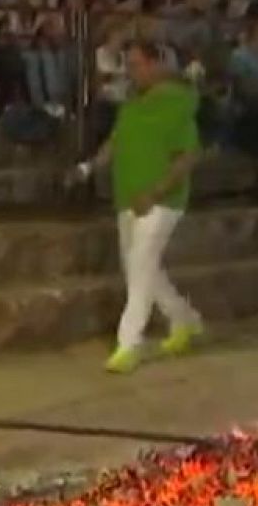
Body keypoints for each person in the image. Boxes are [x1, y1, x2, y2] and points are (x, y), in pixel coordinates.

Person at [70, 39, 203, 374]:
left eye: (136, 64)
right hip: (127, 196)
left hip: (161, 201)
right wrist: (87, 168)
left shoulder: (177, 103)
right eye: (127, 65)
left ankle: (129, 343)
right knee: (140, 267)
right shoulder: (131, 105)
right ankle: (184, 318)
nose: (131, 72)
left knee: (141, 262)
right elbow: (115, 143)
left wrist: (156, 192)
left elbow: (188, 156)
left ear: (155, 64)